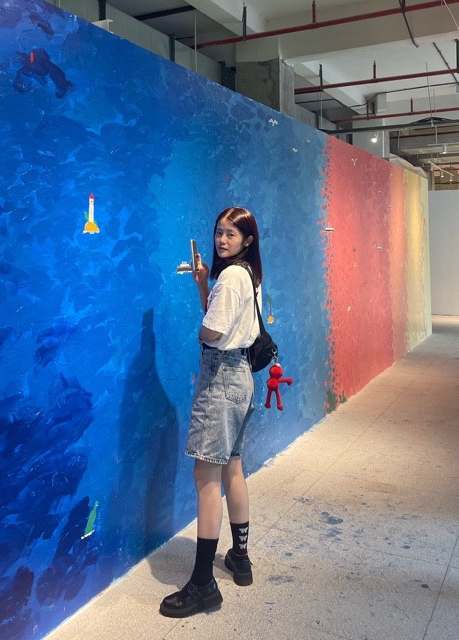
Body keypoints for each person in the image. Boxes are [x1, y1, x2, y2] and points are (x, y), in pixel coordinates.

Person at [160, 206, 263, 618]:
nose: (222, 240)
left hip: (220, 379)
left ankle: (203, 584)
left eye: (231, 234)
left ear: (247, 240)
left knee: (206, 478)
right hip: (241, 378)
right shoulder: (249, 275)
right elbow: (229, 323)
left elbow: (213, 331)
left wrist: (201, 328)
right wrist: (204, 284)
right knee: (232, 466)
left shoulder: (231, 277)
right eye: (219, 232)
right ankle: (240, 557)